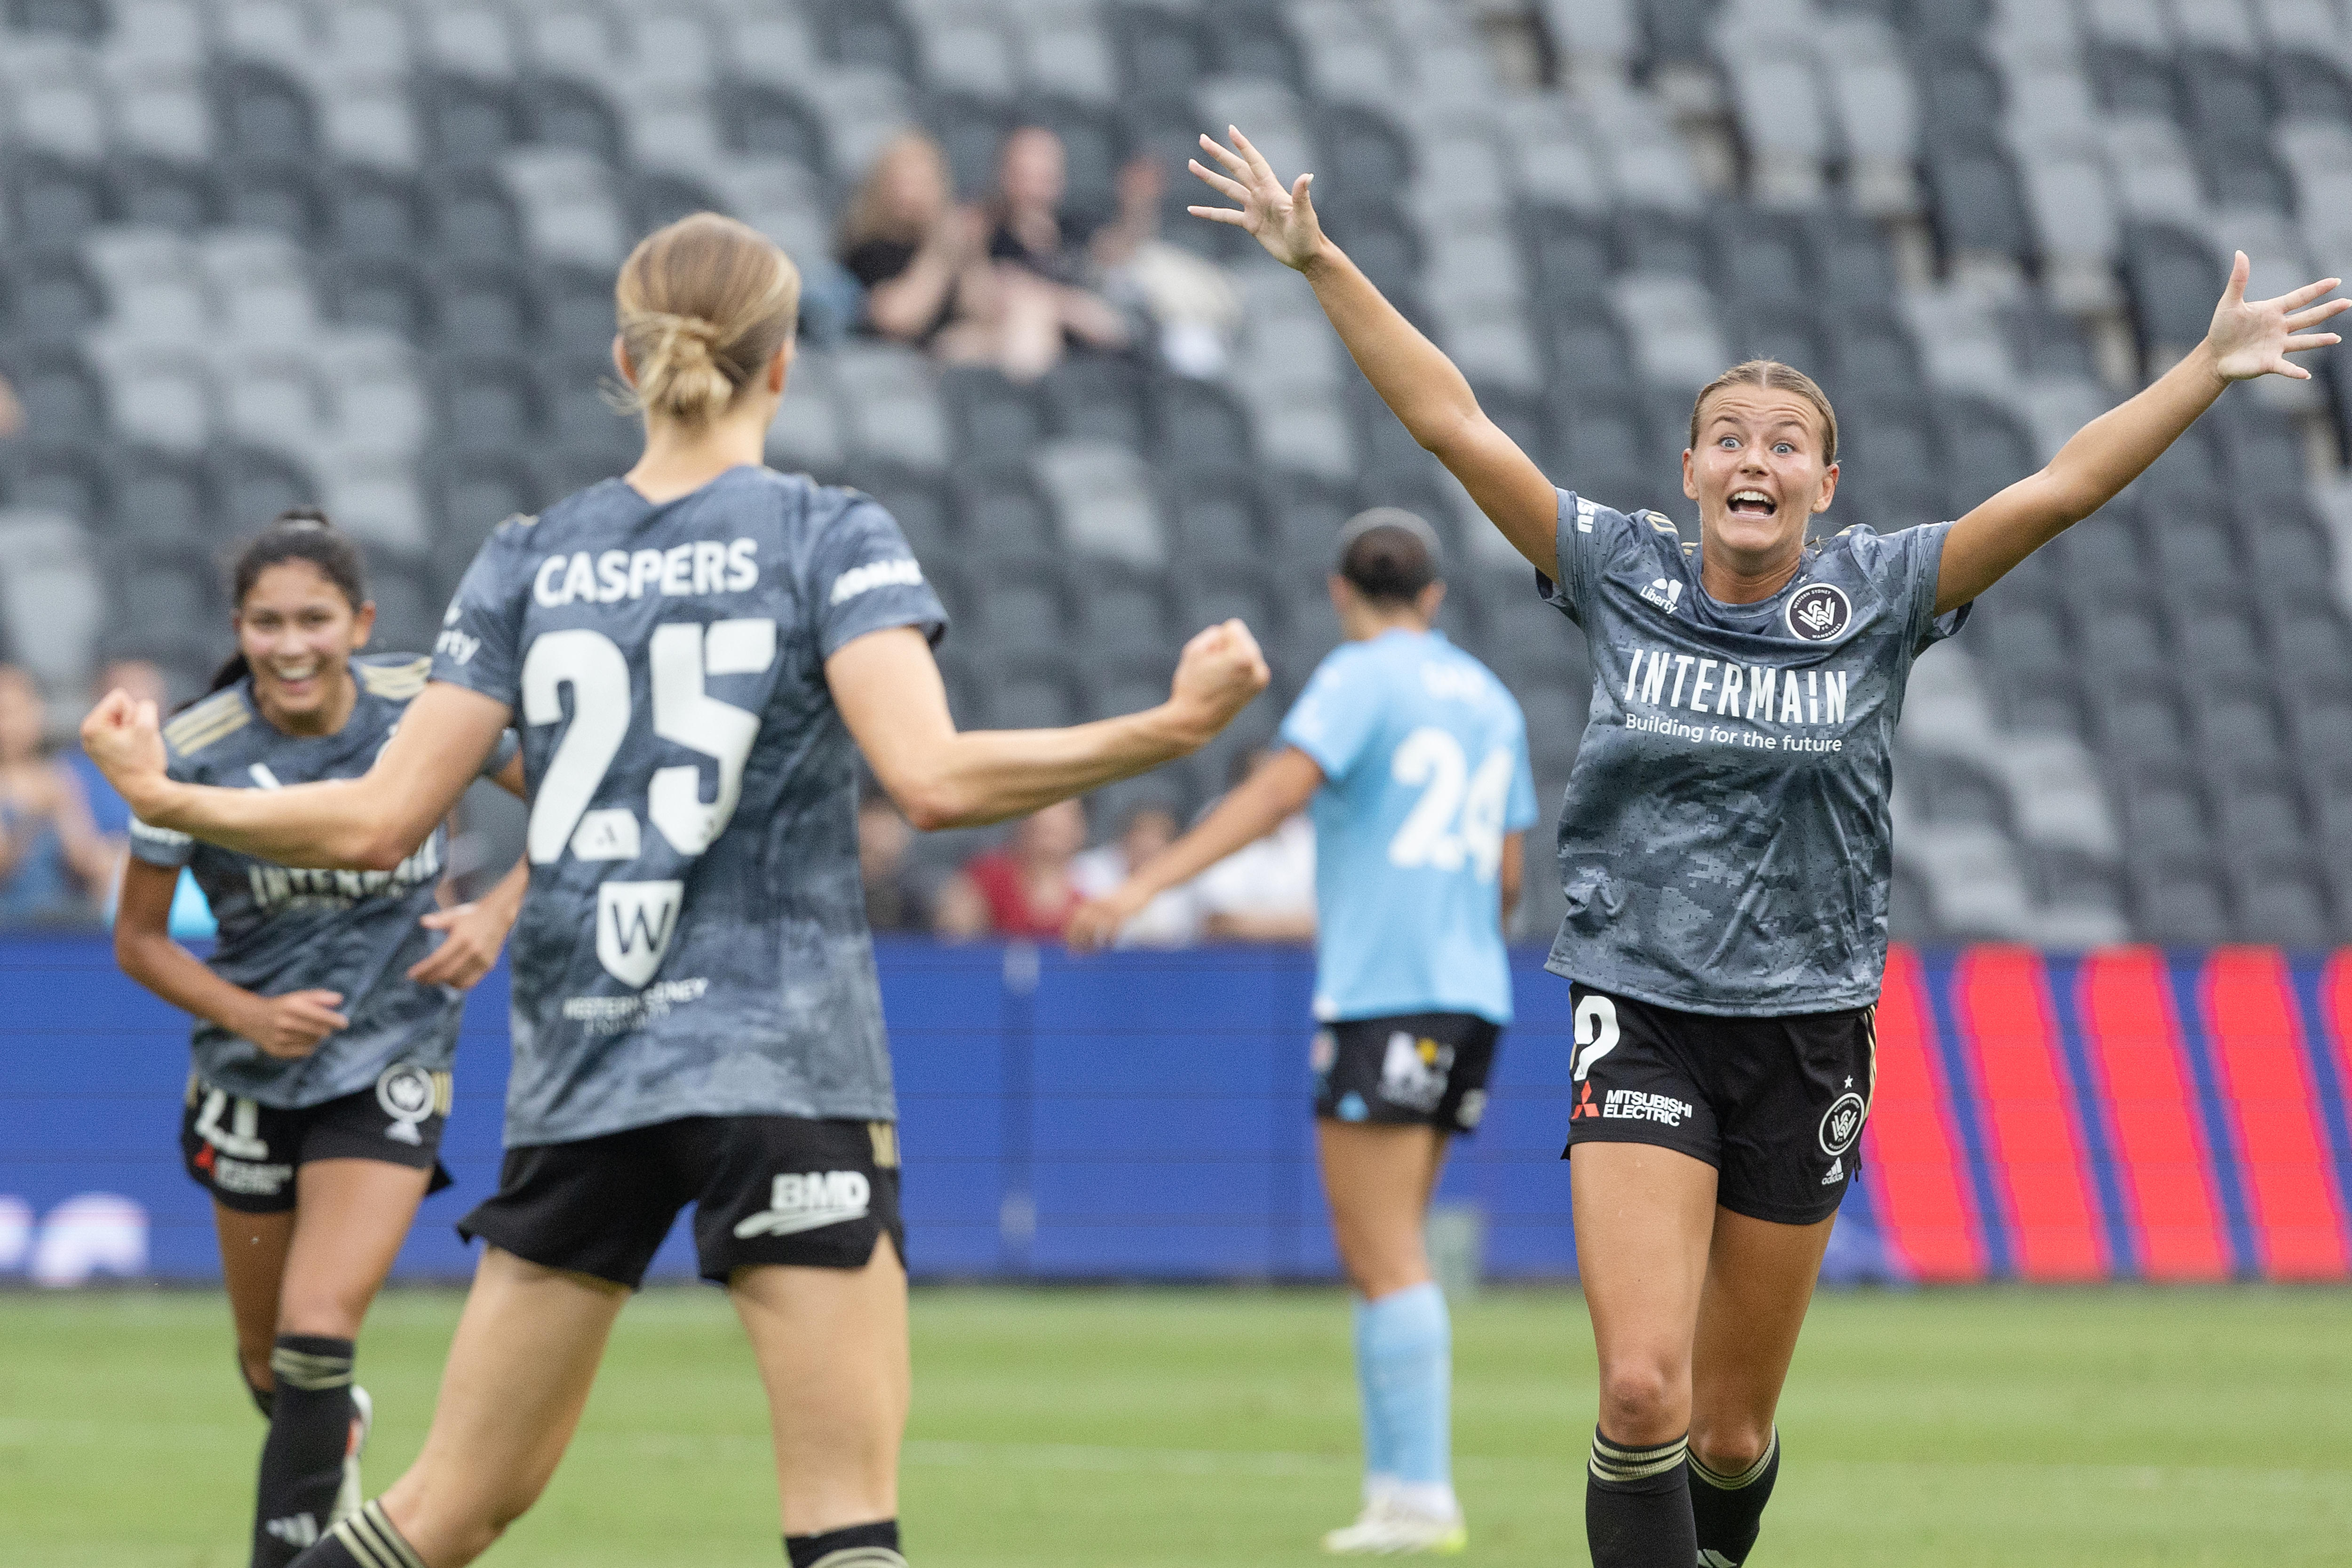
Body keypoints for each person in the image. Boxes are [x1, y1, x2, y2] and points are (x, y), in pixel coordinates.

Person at [1183, 125, 2345, 1568]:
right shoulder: (1618, 571)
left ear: (1822, 483)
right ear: (1687, 470)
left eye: (1782, 444)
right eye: (1728, 438)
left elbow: (2052, 490)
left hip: (1807, 1025)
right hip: (1642, 1007)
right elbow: (1456, 424)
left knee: (1730, 1431)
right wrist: (1321, 264)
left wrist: (2200, 369)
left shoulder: (1878, 593)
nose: (1753, 458)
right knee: (1637, 1389)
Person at [82, 211, 1268, 1568]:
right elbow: (933, 780)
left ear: (624, 359)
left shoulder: (529, 555)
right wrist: (1167, 729)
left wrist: (172, 795)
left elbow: (376, 818)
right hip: (779, 1063)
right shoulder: (829, 532)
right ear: (783, 366)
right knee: (842, 1518)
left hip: (585, 1069)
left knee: (438, 1511)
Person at [1071, 509, 1535, 1554]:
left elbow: (1277, 793)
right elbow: (1509, 874)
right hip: (1470, 993)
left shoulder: (1356, 678)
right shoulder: (1490, 699)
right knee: (1396, 1244)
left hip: (1385, 997)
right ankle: (1396, 1489)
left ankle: (1417, 1496)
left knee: (1380, 1254)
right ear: (1434, 595)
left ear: (1340, 591)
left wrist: (1146, 880)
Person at [113, 511, 530, 1568]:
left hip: (392, 1051)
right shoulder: (190, 753)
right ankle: (334, 1431)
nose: (291, 644)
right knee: (270, 1363)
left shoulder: (428, 707)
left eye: (314, 619)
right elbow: (140, 940)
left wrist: (495, 913)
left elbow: (581, 808)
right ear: (238, 628)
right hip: (250, 1073)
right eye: (267, 622)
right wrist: (248, 1013)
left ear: (361, 622)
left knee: (312, 1333)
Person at [836, 131, 989, 350]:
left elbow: (983, 312)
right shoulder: (868, 250)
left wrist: (972, 252)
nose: (909, 194)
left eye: (920, 183)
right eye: (902, 183)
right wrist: (939, 256)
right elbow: (896, 321)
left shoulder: (944, 244)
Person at [0, 662, 117, 925]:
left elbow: (82, 859)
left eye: (18, 712)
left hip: (58, 921)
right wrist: (29, 816)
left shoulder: (59, 776)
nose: (9, 726)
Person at [1191, 748, 1318, 943]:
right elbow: (1218, 921)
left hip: (1301, 966)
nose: (1277, 792)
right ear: (1241, 791)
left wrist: (1261, 927)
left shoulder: (1304, 831)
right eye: (1265, 785)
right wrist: (1291, 927)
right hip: (1229, 966)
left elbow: (1325, 918)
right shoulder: (1213, 825)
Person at [933, 797, 1087, 940]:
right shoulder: (989, 877)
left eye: (1064, 812)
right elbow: (953, 938)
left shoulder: (1094, 885)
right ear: (1024, 823)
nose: (1050, 819)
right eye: (1042, 811)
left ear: (1080, 828)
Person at [1068, 797, 1202, 947]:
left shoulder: (1187, 881)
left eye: (1157, 836)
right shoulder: (1087, 869)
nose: (1147, 843)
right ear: (1125, 836)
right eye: (1142, 832)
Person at [857, 794, 933, 935]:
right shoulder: (833, 889)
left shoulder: (921, 899)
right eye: (874, 818)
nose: (878, 835)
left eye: (887, 824)